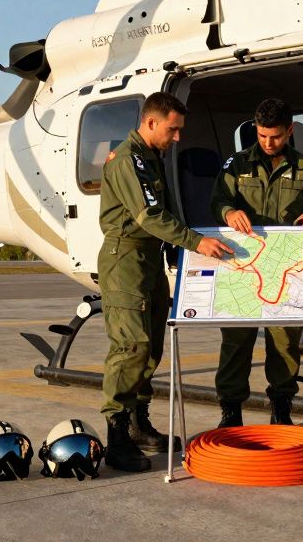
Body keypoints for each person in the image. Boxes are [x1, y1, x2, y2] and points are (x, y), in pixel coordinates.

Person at [97, 92, 234, 472]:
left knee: (151, 345)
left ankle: (138, 424)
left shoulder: (150, 157)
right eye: (172, 130)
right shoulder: (128, 159)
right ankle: (117, 437)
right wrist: (195, 242)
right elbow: (149, 216)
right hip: (125, 259)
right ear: (151, 122)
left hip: (148, 258)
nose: (177, 138)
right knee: (132, 346)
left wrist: (176, 248)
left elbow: (163, 211)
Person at [208, 98, 303, 428]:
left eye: (275, 136)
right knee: (236, 340)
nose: (268, 142)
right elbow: (217, 200)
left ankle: (281, 407)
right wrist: (228, 212)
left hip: (284, 269)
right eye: (262, 135)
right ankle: (230, 411)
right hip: (243, 265)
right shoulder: (237, 165)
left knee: (285, 342)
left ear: (289, 131)